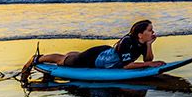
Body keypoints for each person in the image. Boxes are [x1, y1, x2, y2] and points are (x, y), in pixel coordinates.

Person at [20, 20, 163, 80]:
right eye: (150, 30)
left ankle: (73, 54)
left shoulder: (143, 42)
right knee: (63, 61)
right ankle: (37, 58)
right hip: (96, 58)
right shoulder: (127, 41)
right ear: (140, 34)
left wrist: (149, 45)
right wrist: (149, 65)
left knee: (73, 56)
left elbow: (148, 60)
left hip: (106, 56)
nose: (153, 32)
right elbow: (127, 66)